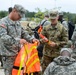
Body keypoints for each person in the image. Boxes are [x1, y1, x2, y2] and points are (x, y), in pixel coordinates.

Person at [0, 4, 39, 75]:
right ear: (14, 11)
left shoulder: (17, 22)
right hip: (8, 55)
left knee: (19, 73)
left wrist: (32, 39)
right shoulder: (3, 22)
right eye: (19, 15)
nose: (20, 18)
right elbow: (3, 37)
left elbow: (23, 33)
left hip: (19, 54)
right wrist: (18, 41)